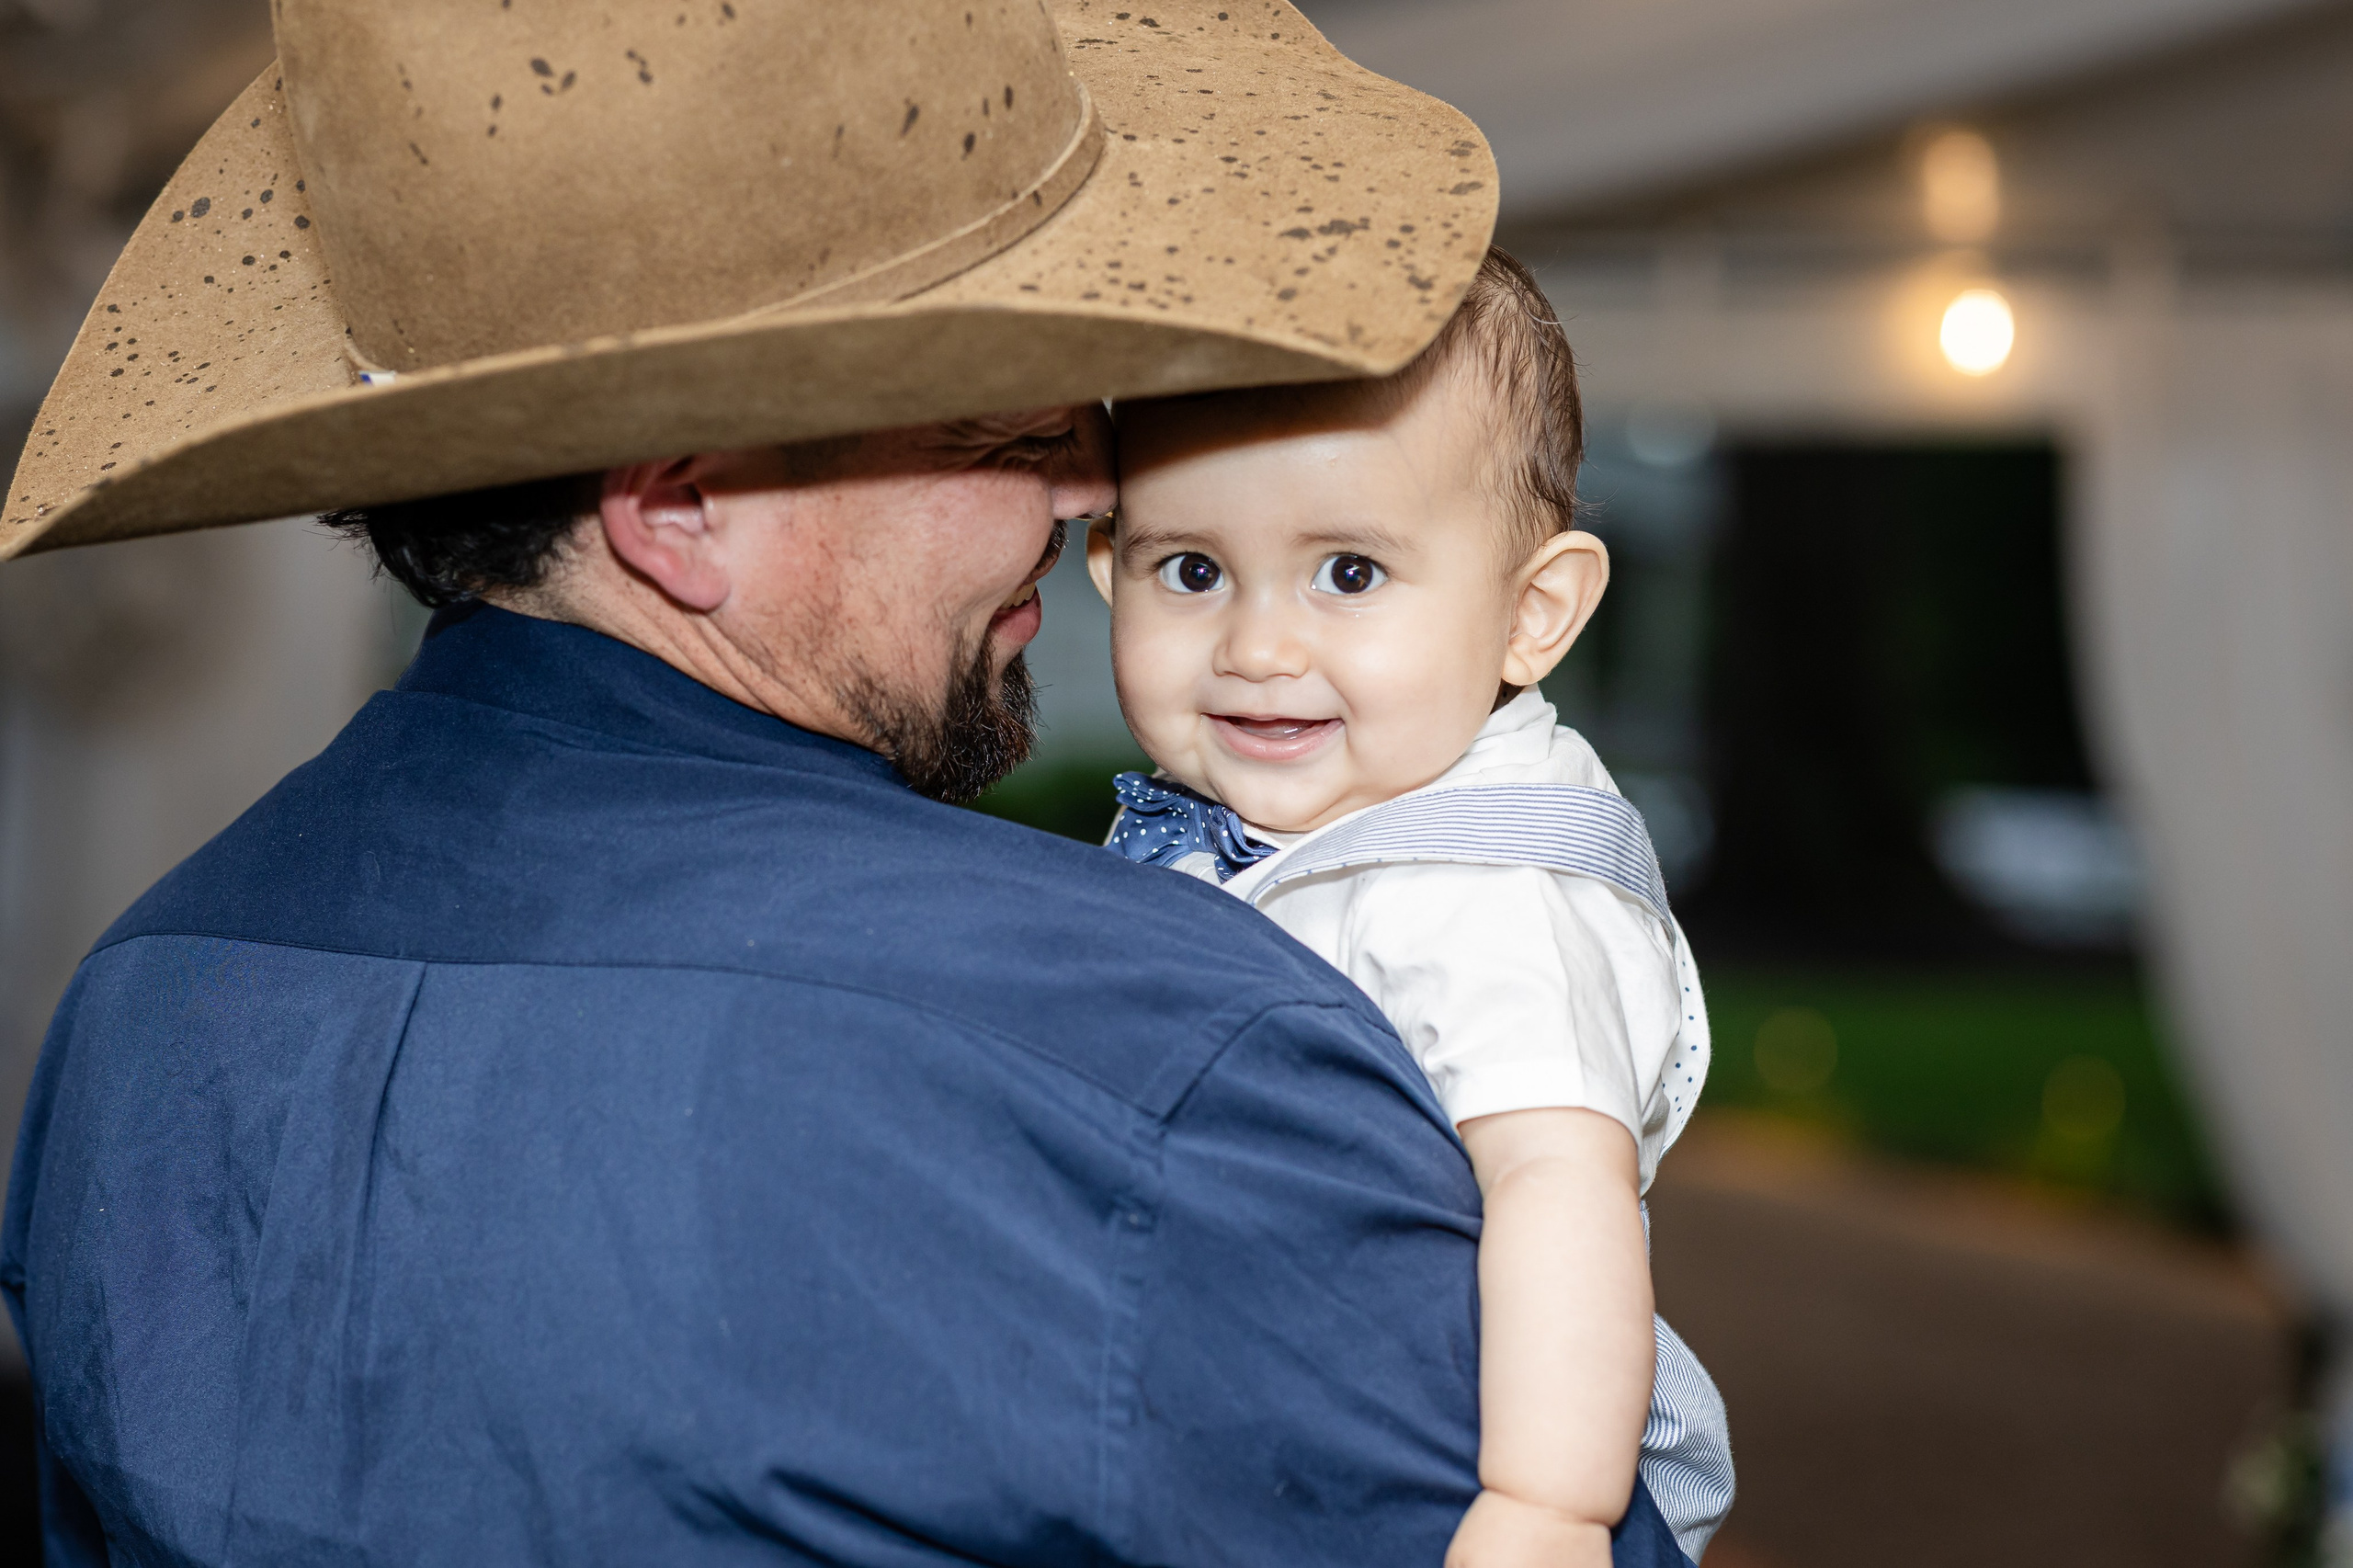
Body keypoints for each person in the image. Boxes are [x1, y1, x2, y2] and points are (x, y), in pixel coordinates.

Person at [0, 2, 1693, 1563]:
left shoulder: (140, 1000)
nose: (1097, 488)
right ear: (683, 510)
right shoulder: (1158, 1062)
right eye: (1006, 430)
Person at [1095, 249, 1734, 1564]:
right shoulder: (1302, 825)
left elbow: (1563, 1190)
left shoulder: (1491, 894)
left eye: (1349, 574)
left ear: (1530, 614)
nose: (1259, 646)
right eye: (1194, 572)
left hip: (1461, 1445)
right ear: (1109, 565)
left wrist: (1547, 1506)